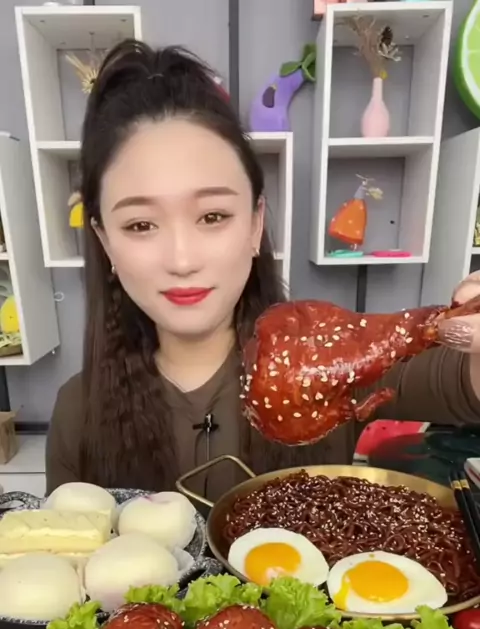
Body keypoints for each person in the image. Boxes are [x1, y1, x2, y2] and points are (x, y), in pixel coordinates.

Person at [47, 38, 480, 504]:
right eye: (140, 225)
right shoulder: (77, 413)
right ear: (104, 241)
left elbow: (464, 382)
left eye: (212, 216)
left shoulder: (335, 364)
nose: (182, 260)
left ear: (255, 225)